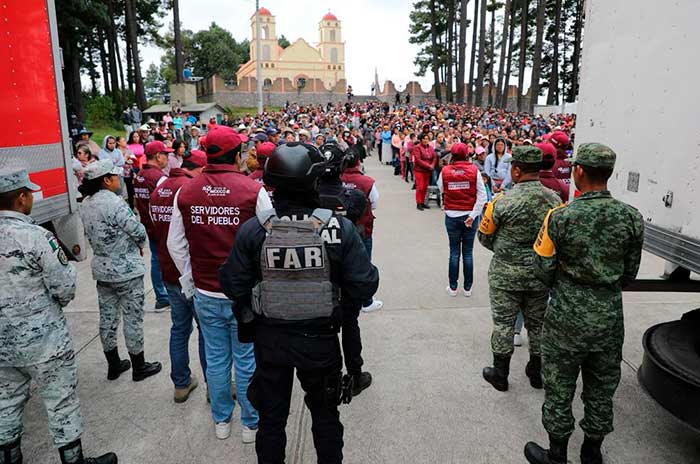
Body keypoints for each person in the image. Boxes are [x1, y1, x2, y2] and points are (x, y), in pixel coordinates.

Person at [218, 142, 380, 464]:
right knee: (325, 420)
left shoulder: (255, 230)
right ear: (315, 181)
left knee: (271, 422)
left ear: (271, 183)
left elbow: (232, 283)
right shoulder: (339, 229)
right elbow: (365, 285)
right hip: (320, 344)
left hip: (271, 342)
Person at [524, 144, 644, 464]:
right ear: (609, 173)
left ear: (578, 171)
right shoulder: (631, 217)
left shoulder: (560, 216)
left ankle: (557, 453)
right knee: (602, 384)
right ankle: (592, 451)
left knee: (559, 384)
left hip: (566, 315)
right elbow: (629, 274)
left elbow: (542, 269)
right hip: (608, 315)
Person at [0, 168, 118, 464]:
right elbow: (65, 287)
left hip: (1, 344)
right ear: (22, 197)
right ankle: (73, 461)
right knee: (60, 400)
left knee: (5, 402)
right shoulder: (37, 237)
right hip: (44, 341)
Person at [167, 125, 270, 442]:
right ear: (237, 154)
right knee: (246, 359)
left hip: (206, 291)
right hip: (244, 292)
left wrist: (191, 277)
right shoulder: (253, 190)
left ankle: (221, 421)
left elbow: (175, 243)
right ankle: (250, 424)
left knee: (216, 360)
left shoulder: (187, 190)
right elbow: (271, 239)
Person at [477, 146, 561, 392]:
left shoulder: (502, 201)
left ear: (516, 169)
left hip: (506, 275)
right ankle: (536, 372)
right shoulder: (554, 200)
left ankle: (500, 375)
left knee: (503, 325)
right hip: (539, 275)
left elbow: (484, 237)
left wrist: (505, 250)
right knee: (537, 325)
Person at [78, 160, 163, 385]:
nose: (119, 180)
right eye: (115, 177)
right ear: (107, 180)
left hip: (103, 270)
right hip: (126, 270)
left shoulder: (86, 203)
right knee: (132, 318)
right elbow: (136, 230)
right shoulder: (114, 203)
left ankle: (114, 365)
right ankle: (139, 366)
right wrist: (141, 243)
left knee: (107, 318)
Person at [149, 150, 208, 404]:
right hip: (188, 272)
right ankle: (214, 386)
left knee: (179, 329)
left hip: (168, 271)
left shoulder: (159, 189)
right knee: (207, 332)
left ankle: (181, 384)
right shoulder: (190, 190)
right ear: (201, 169)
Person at [438, 143, 487, 297]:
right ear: (467, 154)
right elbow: (482, 196)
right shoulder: (474, 171)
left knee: (454, 253)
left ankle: (453, 288)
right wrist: (472, 216)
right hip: (469, 217)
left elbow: (441, 189)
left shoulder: (445, 171)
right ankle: (467, 288)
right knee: (467, 253)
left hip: (452, 216)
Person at [341, 146, 383, 313]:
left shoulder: (337, 179)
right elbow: (375, 203)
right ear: (359, 162)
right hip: (362, 228)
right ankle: (366, 301)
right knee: (364, 264)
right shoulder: (367, 182)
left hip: (340, 228)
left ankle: (347, 297)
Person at [133, 141, 171, 310]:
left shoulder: (139, 175)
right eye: (166, 155)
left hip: (147, 223)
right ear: (158, 156)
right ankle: (164, 295)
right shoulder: (159, 178)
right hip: (160, 226)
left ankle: (160, 295)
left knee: (156, 258)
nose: (167, 158)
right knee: (162, 260)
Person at [412, 133, 437, 210]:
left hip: (428, 170)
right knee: (420, 187)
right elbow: (418, 160)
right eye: (424, 139)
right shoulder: (417, 147)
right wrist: (428, 166)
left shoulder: (431, 148)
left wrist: (432, 165)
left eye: (427, 139)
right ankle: (418, 203)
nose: (426, 140)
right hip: (419, 170)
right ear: (421, 140)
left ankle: (423, 202)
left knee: (425, 187)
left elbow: (434, 157)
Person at [116, 136, 136, 210]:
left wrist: (130, 160)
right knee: (121, 190)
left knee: (130, 190)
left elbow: (133, 159)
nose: (125, 142)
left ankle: (132, 207)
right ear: (118, 142)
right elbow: (118, 162)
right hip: (120, 173)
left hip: (128, 172)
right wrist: (125, 159)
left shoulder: (128, 150)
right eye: (123, 140)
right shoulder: (116, 151)